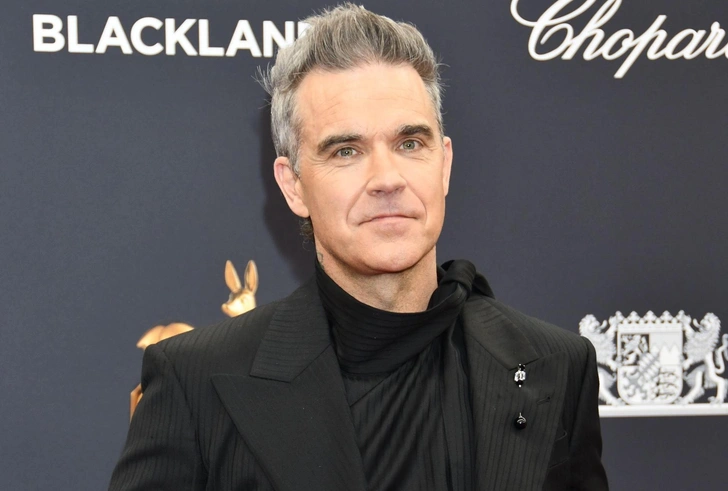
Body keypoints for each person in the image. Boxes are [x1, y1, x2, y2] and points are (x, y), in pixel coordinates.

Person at [109, 4, 608, 490]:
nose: (387, 178)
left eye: (410, 144)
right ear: (293, 186)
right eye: (346, 151)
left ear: (445, 164)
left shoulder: (555, 366)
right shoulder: (195, 381)